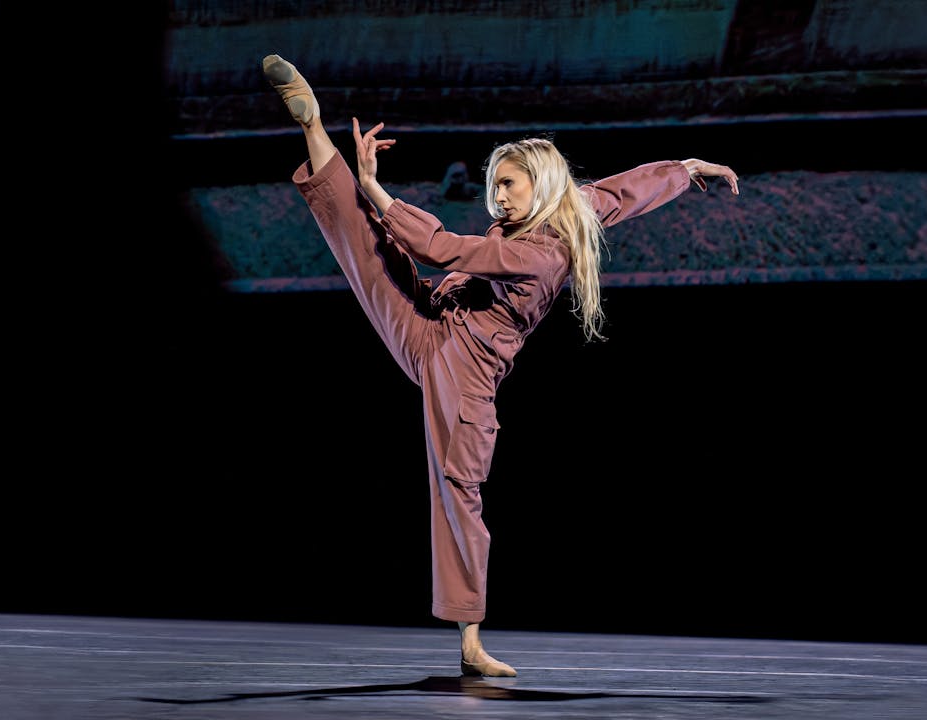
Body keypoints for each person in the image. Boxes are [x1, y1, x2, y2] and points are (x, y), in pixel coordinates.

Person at [262, 53, 739, 678]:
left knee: (459, 495)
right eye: (495, 184)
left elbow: (439, 248)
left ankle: (471, 639)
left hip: (458, 371)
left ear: (539, 185)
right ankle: (312, 125)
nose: (498, 194)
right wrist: (684, 168)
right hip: (434, 323)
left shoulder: (541, 252)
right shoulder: (573, 209)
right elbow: (627, 189)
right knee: (369, 247)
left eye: (508, 184)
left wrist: (378, 188)